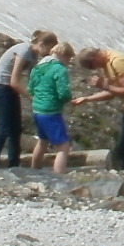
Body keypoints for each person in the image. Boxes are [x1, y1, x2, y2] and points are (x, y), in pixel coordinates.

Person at [0, 31, 55, 169]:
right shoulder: (24, 50)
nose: (49, 53)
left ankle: (14, 163)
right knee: (4, 127)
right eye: (49, 49)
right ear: (41, 44)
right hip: (0, 86)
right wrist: (31, 98)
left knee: (16, 128)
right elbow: (14, 81)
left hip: (9, 89)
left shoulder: (34, 55)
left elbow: (31, 77)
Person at [29, 42, 75, 174]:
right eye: (68, 58)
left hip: (37, 109)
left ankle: (35, 169)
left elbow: (30, 88)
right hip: (51, 111)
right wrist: (68, 99)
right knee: (63, 146)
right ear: (63, 55)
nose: (68, 62)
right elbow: (64, 92)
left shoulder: (38, 67)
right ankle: (60, 173)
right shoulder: (60, 69)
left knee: (42, 141)